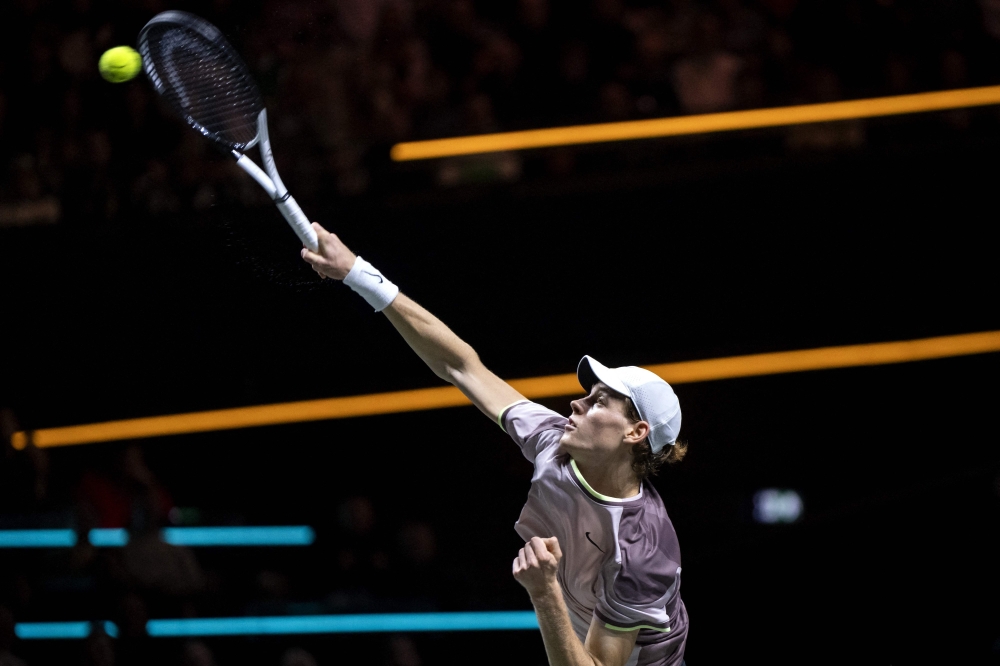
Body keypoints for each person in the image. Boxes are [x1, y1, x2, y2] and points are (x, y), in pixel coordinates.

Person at [301, 223, 689, 666]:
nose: (576, 403)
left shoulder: (643, 550)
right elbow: (461, 366)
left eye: (599, 401)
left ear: (635, 432)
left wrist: (544, 593)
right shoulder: (554, 442)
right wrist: (356, 272)